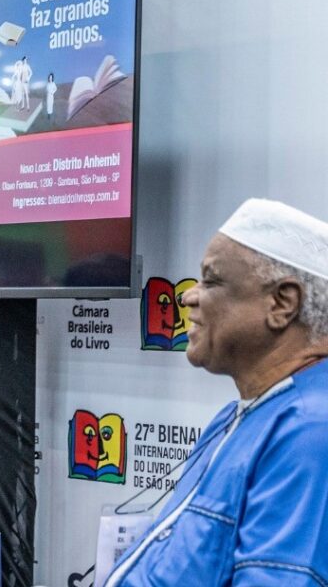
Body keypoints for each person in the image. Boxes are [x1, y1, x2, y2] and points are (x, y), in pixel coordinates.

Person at [104, 199, 328, 586]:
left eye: (211, 281)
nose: (188, 296)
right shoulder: (237, 416)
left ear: (282, 303)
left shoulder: (310, 432)